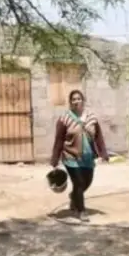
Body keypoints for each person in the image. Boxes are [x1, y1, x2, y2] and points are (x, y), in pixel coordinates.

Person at [49, 89, 109, 221]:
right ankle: (81, 211)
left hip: (88, 157)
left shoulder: (92, 118)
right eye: (73, 99)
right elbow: (59, 139)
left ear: (83, 101)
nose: (76, 101)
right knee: (79, 182)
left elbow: (98, 137)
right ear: (70, 102)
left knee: (87, 182)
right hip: (71, 156)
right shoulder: (64, 119)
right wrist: (55, 159)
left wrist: (103, 153)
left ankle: (74, 197)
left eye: (78, 99)